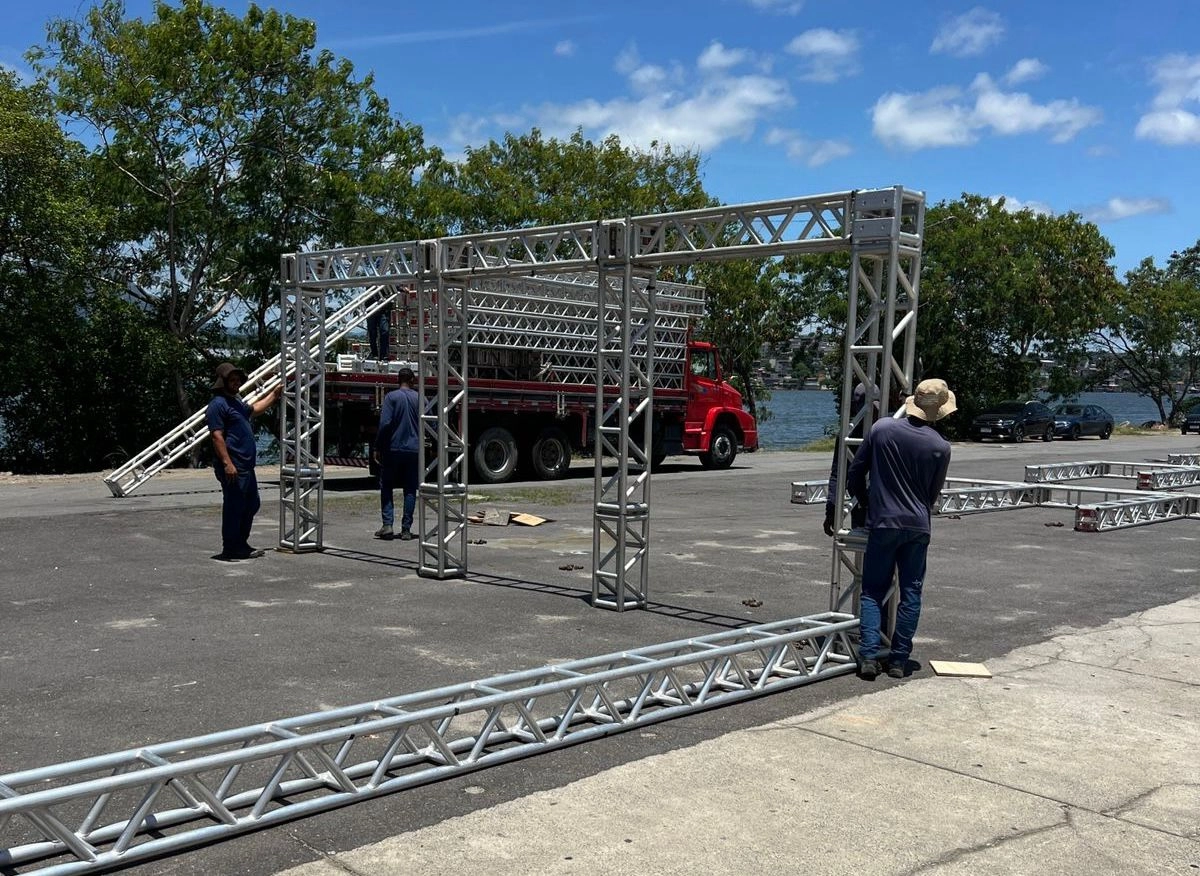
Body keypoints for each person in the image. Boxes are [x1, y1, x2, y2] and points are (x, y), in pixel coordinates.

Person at [847, 378, 954, 680]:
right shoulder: (941, 447)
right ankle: (898, 659)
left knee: (872, 591)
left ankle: (868, 655)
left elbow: (856, 472)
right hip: (918, 524)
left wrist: (866, 501)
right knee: (911, 593)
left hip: (883, 521)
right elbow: (932, 495)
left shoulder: (882, 430)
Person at [206, 362, 282, 561]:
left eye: (238, 380)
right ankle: (231, 546)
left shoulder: (236, 402)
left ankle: (241, 542)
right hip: (234, 465)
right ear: (223, 382)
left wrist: (274, 395)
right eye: (232, 380)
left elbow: (254, 409)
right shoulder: (218, 405)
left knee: (252, 503)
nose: (236, 383)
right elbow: (217, 436)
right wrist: (227, 463)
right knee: (235, 505)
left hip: (246, 466)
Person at [374, 366, 421, 540]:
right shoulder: (420, 398)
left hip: (393, 448)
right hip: (414, 449)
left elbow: (385, 423)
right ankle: (406, 529)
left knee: (387, 485)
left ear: (397, 380)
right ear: (413, 380)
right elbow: (430, 424)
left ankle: (387, 524)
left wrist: (378, 446)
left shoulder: (391, 397)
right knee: (410, 488)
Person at [823, 382, 875, 536]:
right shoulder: (891, 429)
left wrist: (831, 511)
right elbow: (838, 475)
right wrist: (831, 510)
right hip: (873, 504)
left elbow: (838, 475)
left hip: (863, 502)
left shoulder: (848, 434)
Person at [366, 296, 394, 360]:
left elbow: (391, 286)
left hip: (384, 309)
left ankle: (384, 355)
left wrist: (401, 288)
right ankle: (374, 354)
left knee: (385, 331)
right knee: (372, 333)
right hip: (371, 307)